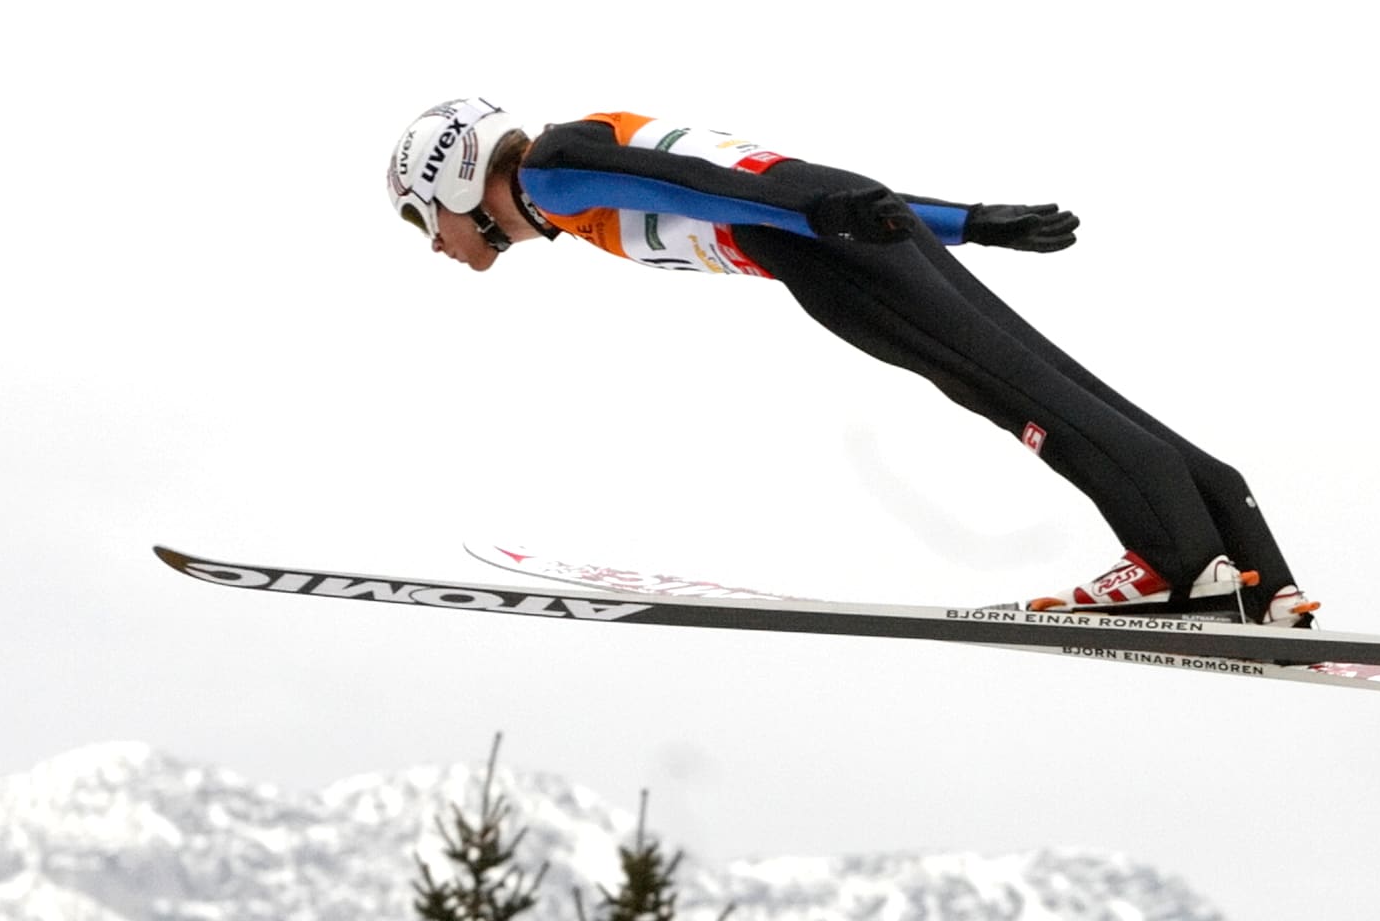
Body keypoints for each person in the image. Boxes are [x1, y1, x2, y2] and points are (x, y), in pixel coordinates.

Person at [384, 97, 1317, 625]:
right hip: (835, 226)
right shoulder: (574, 158)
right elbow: (783, 180)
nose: (434, 244)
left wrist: (826, 219)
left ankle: (1175, 564)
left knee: (1016, 392)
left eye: (425, 220)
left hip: (818, 246)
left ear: (455, 179)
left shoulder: (552, 169)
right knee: (1053, 381)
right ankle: (1258, 576)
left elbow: (704, 185)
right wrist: (969, 222)